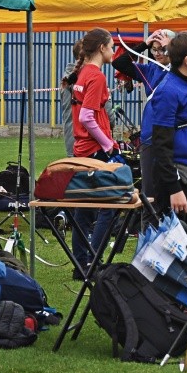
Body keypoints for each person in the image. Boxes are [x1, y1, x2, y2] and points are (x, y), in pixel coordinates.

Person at [140, 32, 187, 240]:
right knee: (175, 243)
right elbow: (161, 145)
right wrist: (174, 189)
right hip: (177, 178)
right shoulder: (168, 90)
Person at [70, 28, 122, 277]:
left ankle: (80, 263)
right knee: (109, 206)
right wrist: (108, 144)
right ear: (101, 48)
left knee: (84, 208)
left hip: (82, 149)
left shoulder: (83, 73)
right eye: (112, 46)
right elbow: (87, 116)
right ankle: (91, 261)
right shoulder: (97, 76)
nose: (114, 51)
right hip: (94, 150)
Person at [112, 29, 175, 201]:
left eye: (162, 49)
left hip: (172, 136)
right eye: (154, 50)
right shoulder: (151, 69)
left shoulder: (180, 69)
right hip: (149, 135)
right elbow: (119, 63)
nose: (158, 54)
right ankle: (150, 226)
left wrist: (172, 48)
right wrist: (144, 45)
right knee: (150, 191)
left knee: (172, 189)